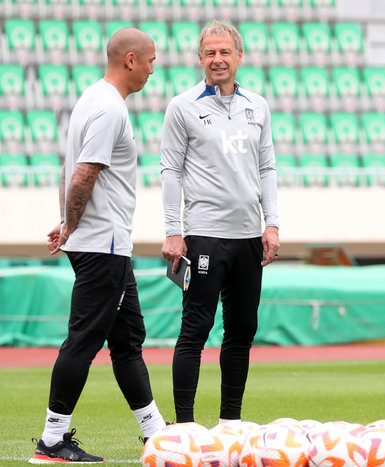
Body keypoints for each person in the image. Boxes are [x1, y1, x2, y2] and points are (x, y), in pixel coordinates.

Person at [29, 28, 166, 464]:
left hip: (102, 242)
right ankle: (51, 441)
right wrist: (72, 224)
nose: (151, 69)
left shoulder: (91, 99)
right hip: (103, 244)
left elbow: (71, 169)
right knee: (84, 340)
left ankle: (155, 432)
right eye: (150, 61)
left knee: (127, 340)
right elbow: (84, 173)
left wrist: (68, 224)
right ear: (130, 59)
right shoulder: (110, 109)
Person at [160, 20, 280, 424]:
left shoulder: (258, 105)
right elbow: (170, 170)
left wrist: (273, 223)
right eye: (210, 53)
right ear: (199, 59)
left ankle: (230, 421)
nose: (217, 59)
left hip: (249, 236)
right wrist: (173, 231)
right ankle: (185, 425)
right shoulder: (182, 106)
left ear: (239, 56)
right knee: (195, 330)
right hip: (204, 236)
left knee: (242, 332)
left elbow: (267, 167)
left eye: (225, 52)